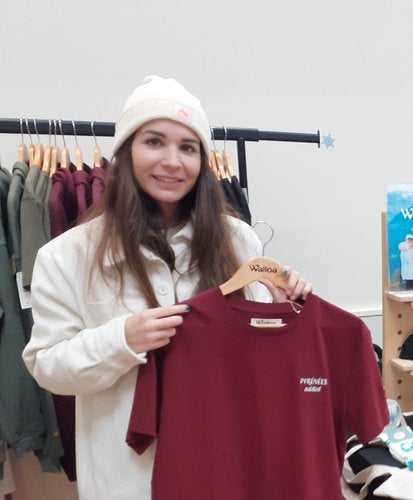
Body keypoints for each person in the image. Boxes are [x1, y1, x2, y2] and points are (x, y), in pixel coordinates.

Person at [21, 76, 312, 500]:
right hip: (128, 472)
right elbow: (47, 366)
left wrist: (287, 307)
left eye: (188, 147)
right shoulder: (66, 256)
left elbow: (261, 355)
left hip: (228, 455)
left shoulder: (238, 240)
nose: (172, 161)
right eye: (154, 142)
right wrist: (122, 339)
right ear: (124, 153)